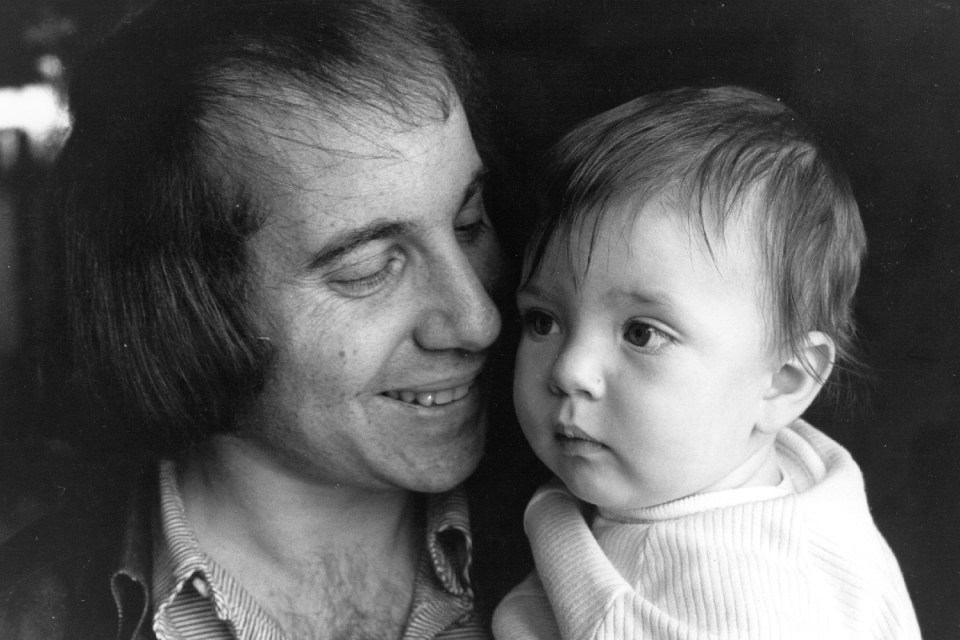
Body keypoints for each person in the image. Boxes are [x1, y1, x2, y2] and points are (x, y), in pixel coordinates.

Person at [0, 1, 511, 638]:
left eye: (469, 224)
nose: (478, 318)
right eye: (368, 267)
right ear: (186, 307)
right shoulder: (24, 612)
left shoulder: (612, 535)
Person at [492, 86, 922, 639]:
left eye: (642, 333)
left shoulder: (726, 604)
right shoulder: (797, 471)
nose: (568, 369)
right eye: (543, 321)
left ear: (785, 381)